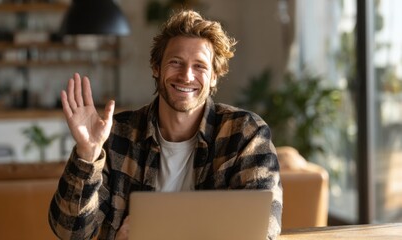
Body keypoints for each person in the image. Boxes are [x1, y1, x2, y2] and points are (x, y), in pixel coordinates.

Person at [48, 9, 282, 240]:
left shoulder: (246, 134)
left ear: (214, 77)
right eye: (176, 62)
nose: (186, 76)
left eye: (199, 66)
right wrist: (87, 154)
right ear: (156, 68)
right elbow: (70, 232)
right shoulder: (116, 135)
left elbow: (263, 230)